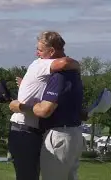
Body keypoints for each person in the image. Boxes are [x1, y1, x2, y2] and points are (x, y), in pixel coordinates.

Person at [7, 31, 81, 180]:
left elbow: (45, 110)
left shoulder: (57, 72)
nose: (36, 53)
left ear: (52, 51)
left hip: (38, 131)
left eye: (40, 50)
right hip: (33, 130)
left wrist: (19, 106)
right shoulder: (68, 73)